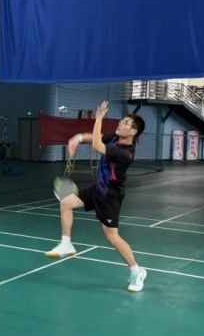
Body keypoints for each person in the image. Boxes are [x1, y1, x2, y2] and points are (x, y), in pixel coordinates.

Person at [45, 101, 148, 293]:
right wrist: (77, 138)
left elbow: (96, 144)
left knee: (112, 237)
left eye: (126, 123)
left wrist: (99, 117)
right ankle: (66, 244)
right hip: (97, 189)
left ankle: (137, 271)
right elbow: (94, 137)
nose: (121, 124)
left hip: (110, 197)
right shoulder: (115, 138)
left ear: (133, 132)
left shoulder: (125, 153)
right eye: (122, 121)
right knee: (66, 202)